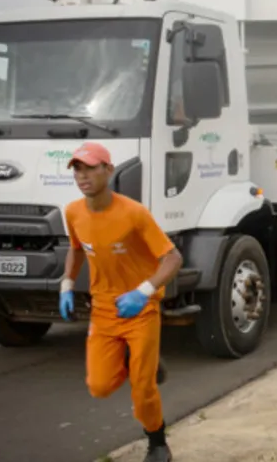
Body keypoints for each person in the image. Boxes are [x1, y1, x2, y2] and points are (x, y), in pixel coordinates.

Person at [58, 141, 184, 462]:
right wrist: (67, 284)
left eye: (90, 168)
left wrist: (143, 292)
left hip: (140, 309)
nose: (82, 176)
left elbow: (172, 258)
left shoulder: (134, 214)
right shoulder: (73, 212)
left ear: (108, 170)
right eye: (77, 169)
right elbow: (75, 248)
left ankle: (157, 443)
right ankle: (142, 361)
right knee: (99, 386)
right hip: (103, 311)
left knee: (142, 389)